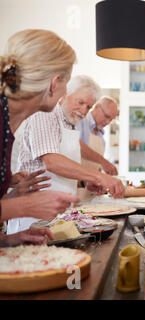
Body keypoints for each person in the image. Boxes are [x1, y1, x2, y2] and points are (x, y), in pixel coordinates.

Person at [8, 75, 125, 234]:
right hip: (33, 217)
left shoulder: (69, 123)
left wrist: (83, 183)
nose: (84, 111)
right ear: (65, 94)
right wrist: (99, 176)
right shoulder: (45, 114)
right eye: (80, 102)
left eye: (88, 107)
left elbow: (52, 174)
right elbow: (52, 162)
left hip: (60, 216)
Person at [0, 29, 79, 245]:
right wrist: (24, 206)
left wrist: (8, 240)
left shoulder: (8, 119)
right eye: (67, 83)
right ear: (54, 83)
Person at [76, 96, 119, 175]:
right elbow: (76, 145)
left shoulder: (101, 135)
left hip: (88, 184)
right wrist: (103, 161)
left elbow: (95, 165)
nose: (107, 122)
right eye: (106, 116)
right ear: (97, 107)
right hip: (76, 181)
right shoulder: (81, 120)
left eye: (111, 120)